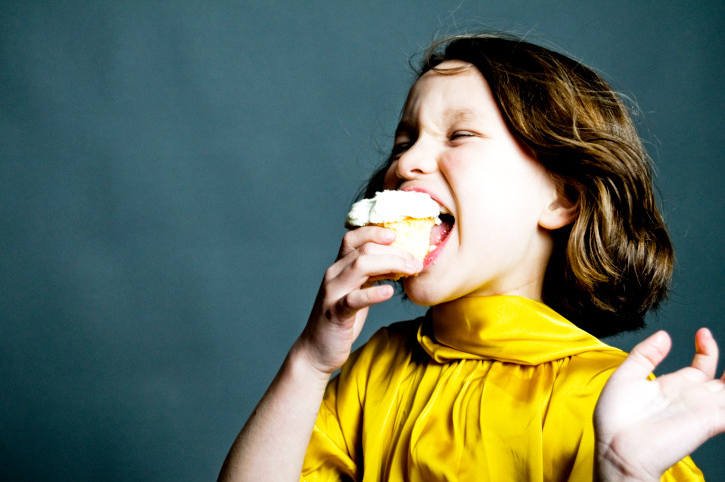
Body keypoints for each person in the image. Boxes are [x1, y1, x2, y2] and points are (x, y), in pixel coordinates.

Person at [219, 33, 724, 481]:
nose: (406, 162)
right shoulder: (374, 370)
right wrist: (310, 362)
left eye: (459, 135)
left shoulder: (610, 398)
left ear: (561, 197)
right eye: (404, 141)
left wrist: (627, 474)